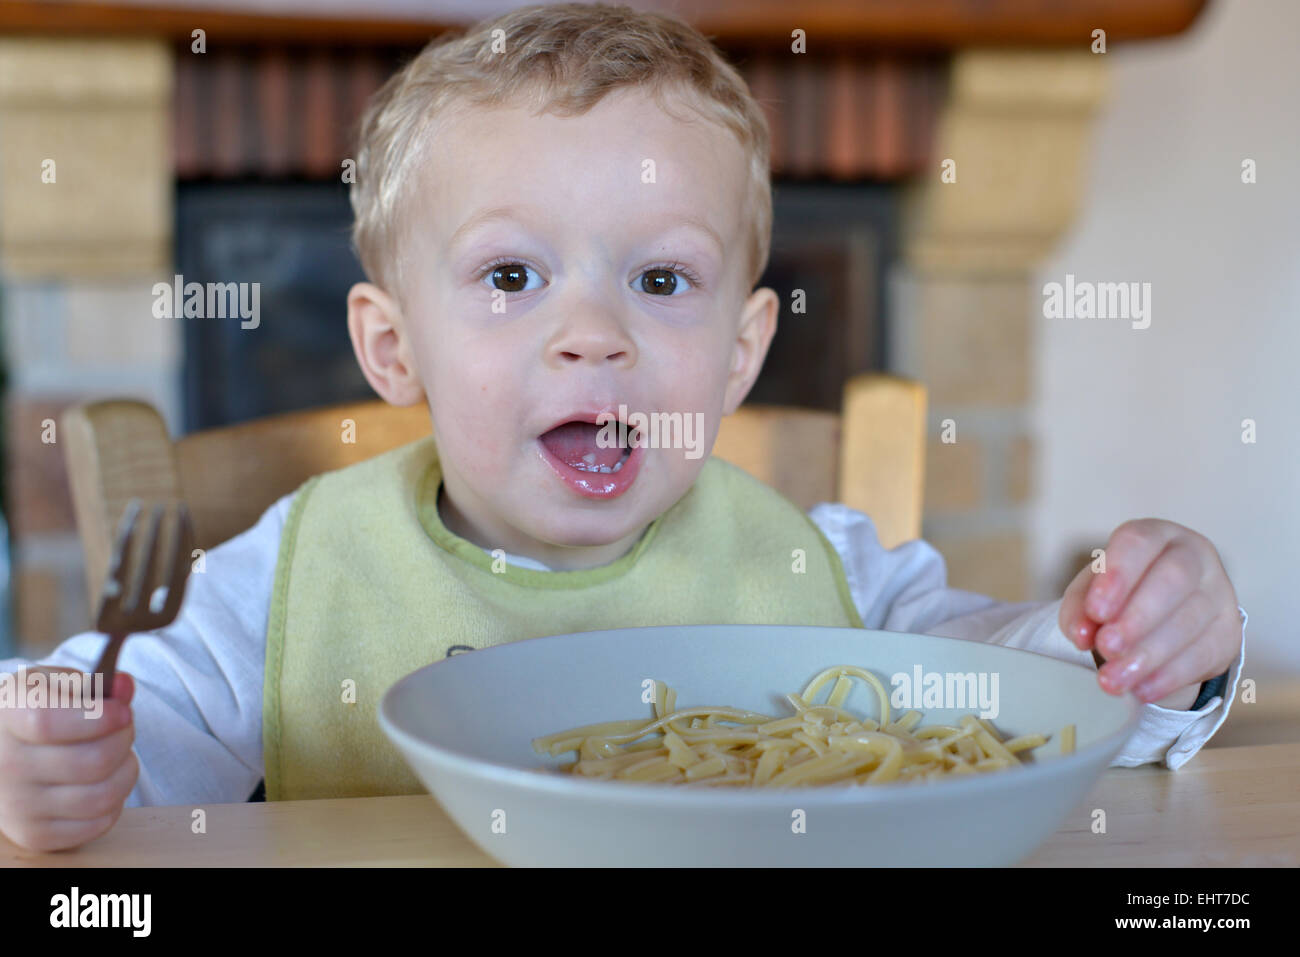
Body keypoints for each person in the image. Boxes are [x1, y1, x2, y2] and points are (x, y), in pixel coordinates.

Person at [0, 3, 1245, 852]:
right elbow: (124, 754)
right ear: (393, 348)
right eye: (509, 279)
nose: (592, 335)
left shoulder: (829, 572)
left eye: (659, 283)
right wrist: (42, 751)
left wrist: (1132, 639)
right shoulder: (282, 583)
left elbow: (1025, 704)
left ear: (741, 353)